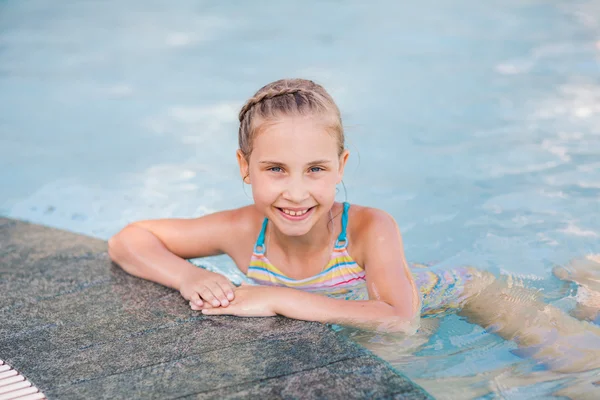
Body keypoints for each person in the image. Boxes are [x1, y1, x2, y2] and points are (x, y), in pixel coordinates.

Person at [108, 78, 600, 373]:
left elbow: (399, 317)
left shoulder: (369, 228)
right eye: (275, 169)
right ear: (244, 166)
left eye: (316, 170)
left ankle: (587, 288)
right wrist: (189, 276)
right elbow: (128, 240)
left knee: (577, 365)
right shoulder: (241, 230)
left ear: (341, 166)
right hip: (360, 321)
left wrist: (278, 298)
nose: (296, 193)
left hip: (460, 295)